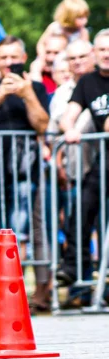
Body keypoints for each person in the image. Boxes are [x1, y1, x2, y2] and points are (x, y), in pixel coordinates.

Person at [0, 35, 51, 307]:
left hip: (26, 172)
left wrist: (26, 94)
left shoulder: (36, 88)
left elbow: (41, 125)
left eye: (13, 57)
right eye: (3, 58)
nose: (8, 63)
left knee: (21, 231)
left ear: (23, 59)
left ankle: (17, 293)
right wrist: (1, 93)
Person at [57, 29, 109, 286]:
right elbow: (69, 115)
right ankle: (73, 266)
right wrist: (70, 130)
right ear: (94, 53)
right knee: (82, 206)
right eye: (102, 50)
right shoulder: (88, 82)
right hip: (105, 159)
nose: (106, 54)